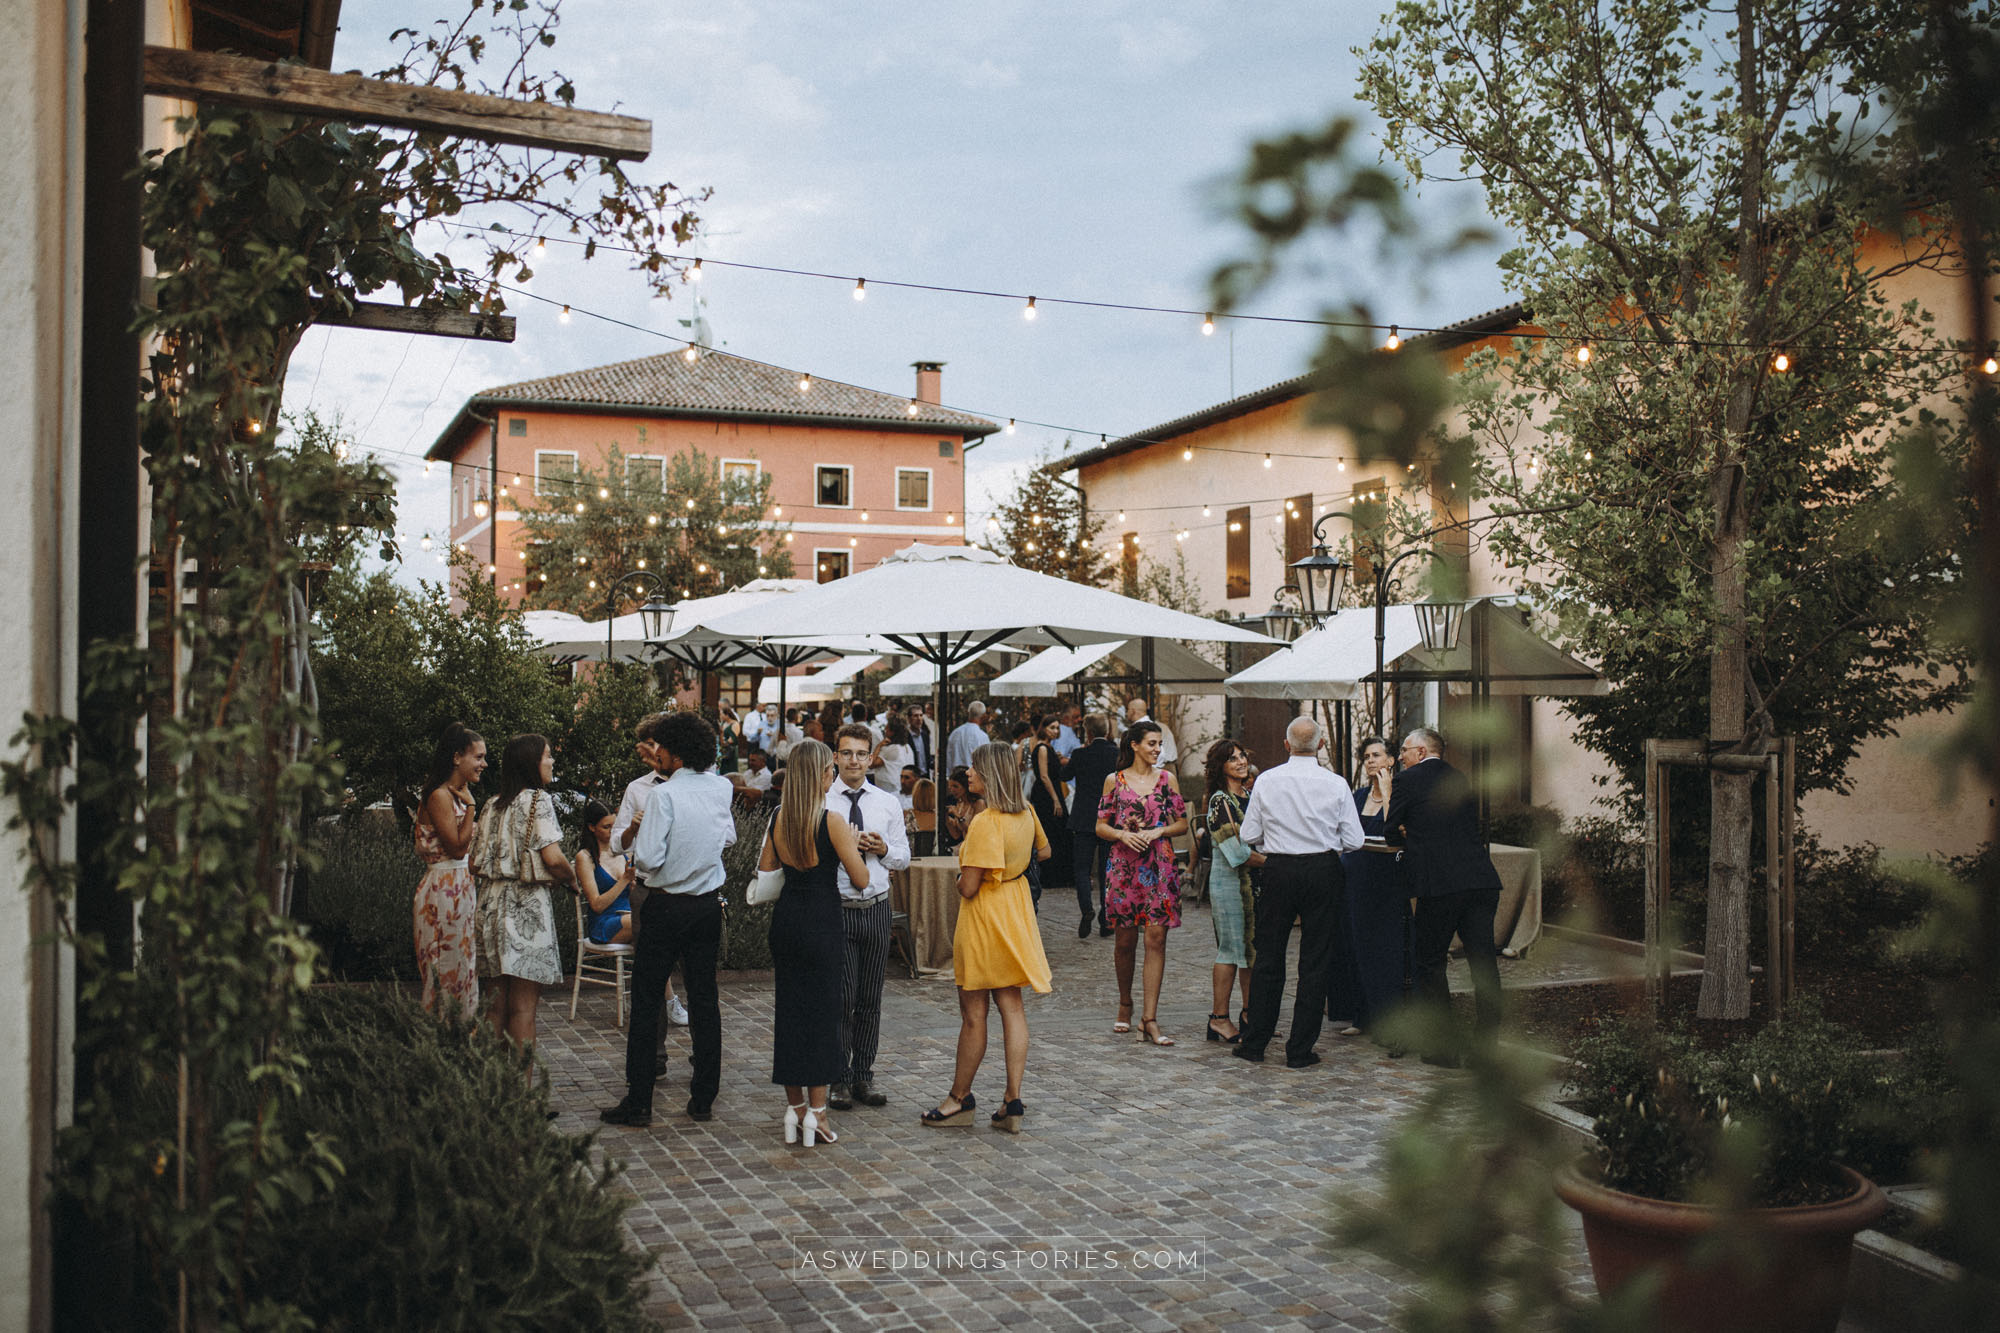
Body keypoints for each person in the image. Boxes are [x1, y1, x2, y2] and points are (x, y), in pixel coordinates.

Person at [600, 712, 737, 1127]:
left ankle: (640, 1101)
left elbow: (647, 859)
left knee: (646, 1002)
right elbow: (726, 837)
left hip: (664, 905)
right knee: (704, 999)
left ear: (677, 754)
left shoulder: (663, 796)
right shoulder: (722, 787)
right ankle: (704, 1098)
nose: (655, 752)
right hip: (707, 905)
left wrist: (653, 844)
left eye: (661, 747)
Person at [921, 742, 1051, 1133]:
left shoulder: (985, 822)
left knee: (974, 1015)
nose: (968, 773)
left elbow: (969, 887)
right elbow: (1044, 852)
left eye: (975, 768)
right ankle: (1013, 1099)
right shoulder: (1026, 811)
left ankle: (959, 1098)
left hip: (984, 918)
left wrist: (962, 876)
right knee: (1012, 1006)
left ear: (990, 774)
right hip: (1015, 911)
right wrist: (1013, 867)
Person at [1231, 715, 1366, 1069]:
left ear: (1286, 744)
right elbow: (1355, 840)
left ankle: (1255, 1042)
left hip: (1279, 869)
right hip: (1322, 869)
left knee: (1269, 956)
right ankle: (1300, 1049)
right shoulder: (1336, 783)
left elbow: (1248, 835)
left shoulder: (1267, 780)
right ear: (1321, 744)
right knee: (1316, 960)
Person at [756, 739, 872, 1146]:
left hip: (788, 918)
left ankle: (795, 1109)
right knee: (823, 1016)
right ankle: (818, 1114)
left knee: (790, 1014)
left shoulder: (778, 818)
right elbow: (861, 879)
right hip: (822, 920)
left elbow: (766, 869)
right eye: (831, 770)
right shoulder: (832, 821)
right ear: (822, 775)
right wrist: (851, 844)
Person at [1383, 726, 1502, 1064]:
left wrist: (1408, 833)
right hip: (1480, 880)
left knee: (1431, 963)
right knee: (1483, 964)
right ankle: (1485, 1047)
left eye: (1405, 750)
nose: (1400, 757)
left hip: (1439, 885)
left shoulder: (1407, 780)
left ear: (1421, 752)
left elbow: (1391, 830)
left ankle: (1443, 1047)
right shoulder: (1460, 778)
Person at [823, 724, 912, 1111]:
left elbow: (904, 857)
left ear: (872, 757)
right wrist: (843, 846)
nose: (854, 761)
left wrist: (883, 848)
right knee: (841, 998)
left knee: (870, 998)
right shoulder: (824, 801)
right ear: (835, 756)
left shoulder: (886, 802)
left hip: (876, 907)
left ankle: (863, 1074)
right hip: (838, 907)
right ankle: (839, 1078)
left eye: (861, 754)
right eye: (846, 753)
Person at [470, 733, 575, 1056]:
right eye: (547, 755)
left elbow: (474, 862)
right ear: (531, 762)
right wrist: (571, 878)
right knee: (523, 1007)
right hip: (524, 905)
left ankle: (490, 1081)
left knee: (494, 1005)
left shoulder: (491, 805)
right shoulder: (538, 800)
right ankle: (520, 1085)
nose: (552, 761)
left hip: (490, 905)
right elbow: (553, 858)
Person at [1095, 719, 1189, 1046]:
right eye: (1152, 743)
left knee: (1156, 938)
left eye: (1159, 744)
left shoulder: (1167, 780)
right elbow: (1100, 826)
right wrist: (1121, 834)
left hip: (1159, 866)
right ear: (1134, 745)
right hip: (1124, 867)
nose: (1157, 749)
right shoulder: (1114, 781)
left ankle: (1149, 1018)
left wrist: (1160, 830)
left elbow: (1182, 823)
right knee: (1124, 941)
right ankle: (1125, 1002)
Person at [611, 713, 688, 1028]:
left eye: (659, 743)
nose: (655, 751)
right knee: (650, 968)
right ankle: (653, 1044)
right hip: (649, 889)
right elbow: (616, 843)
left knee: (695, 969)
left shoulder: (698, 784)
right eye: (650, 744)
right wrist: (632, 828)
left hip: (690, 887)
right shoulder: (637, 789)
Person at [414, 722, 485, 1015]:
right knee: (444, 971)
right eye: (478, 757)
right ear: (457, 757)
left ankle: (461, 1034)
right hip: (443, 891)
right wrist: (471, 808)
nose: (484, 764)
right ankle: (442, 1035)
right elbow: (456, 848)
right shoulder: (440, 796)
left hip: (460, 886)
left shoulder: (458, 793)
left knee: (462, 967)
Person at [1343, 737, 1409, 1040]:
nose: (1370, 760)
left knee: (1388, 948)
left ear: (1391, 760)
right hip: (1357, 877)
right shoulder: (1358, 796)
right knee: (1359, 944)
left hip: (1388, 878)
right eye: (1367, 756)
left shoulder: (1401, 794)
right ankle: (1362, 1015)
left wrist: (1388, 792)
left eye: (1377, 755)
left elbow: (1396, 831)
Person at [1201, 738, 1264, 1044]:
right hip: (1230, 887)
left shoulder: (1249, 796)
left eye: (1242, 756)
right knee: (1230, 951)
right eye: (1232, 758)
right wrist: (1276, 863)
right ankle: (1219, 1019)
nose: (1241, 762)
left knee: (1251, 953)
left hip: (1254, 886)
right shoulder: (1219, 802)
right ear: (1220, 766)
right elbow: (1237, 853)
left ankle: (1251, 1015)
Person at [1061, 713, 1120, 939]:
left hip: (1083, 816)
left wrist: (1063, 762)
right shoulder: (1116, 754)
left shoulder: (1080, 754)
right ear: (1107, 731)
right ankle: (1106, 919)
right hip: (1109, 817)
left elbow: (1064, 775)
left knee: (1082, 869)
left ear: (1088, 732)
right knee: (1107, 870)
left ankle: (1086, 908)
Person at [573, 798, 635, 946]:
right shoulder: (585, 857)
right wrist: (625, 879)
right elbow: (597, 906)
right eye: (606, 827)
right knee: (647, 922)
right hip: (604, 923)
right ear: (592, 827)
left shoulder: (625, 853)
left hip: (629, 916)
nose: (612, 831)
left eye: (615, 826)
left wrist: (635, 886)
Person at [1027, 713, 1071, 894]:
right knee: (1052, 832)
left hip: (1052, 792)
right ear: (1043, 729)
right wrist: (1055, 799)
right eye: (1052, 727)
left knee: (1058, 832)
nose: (1055, 731)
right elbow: (1044, 776)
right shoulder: (1042, 748)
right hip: (1047, 795)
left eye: (1057, 728)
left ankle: (1057, 875)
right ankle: (1051, 876)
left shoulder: (1049, 748)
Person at [1124, 696, 1178, 771]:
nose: (1126, 713)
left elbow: (1160, 754)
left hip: (1157, 769)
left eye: (1128, 710)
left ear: (1133, 711)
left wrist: (1151, 772)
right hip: (1164, 767)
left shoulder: (1142, 728)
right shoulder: (1154, 726)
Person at [870, 716, 914, 795]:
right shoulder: (907, 747)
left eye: (887, 728)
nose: (885, 730)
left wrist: (878, 746)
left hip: (889, 790)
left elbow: (871, 764)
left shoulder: (891, 749)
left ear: (892, 732)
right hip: (899, 788)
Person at [941, 766, 983, 847]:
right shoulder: (959, 804)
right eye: (950, 787)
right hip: (965, 845)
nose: (952, 790)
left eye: (955, 786)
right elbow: (956, 835)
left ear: (965, 786)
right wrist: (946, 818)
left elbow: (975, 832)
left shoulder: (979, 804)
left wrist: (958, 816)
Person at [945, 700, 989, 776]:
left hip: (955, 778)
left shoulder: (955, 733)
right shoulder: (982, 736)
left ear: (968, 713)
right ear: (983, 716)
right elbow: (986, 762)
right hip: (974, 777)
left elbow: (949, 759)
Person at [906, 703, 936, 778]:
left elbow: (927, 756)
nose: (919, 719)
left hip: (925, 775)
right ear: (909, 719)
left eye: (921, 715)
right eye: (915, 716)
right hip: (911, 776)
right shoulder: (905, 736)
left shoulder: (925, 735)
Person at [717, 706, 742, 775]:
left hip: (730, 750)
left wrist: (724, 743)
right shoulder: (723, 723)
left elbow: (732, 739)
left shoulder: (735, 724)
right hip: (722, 749)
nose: (720, 716)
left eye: (721, 714)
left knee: (730, 769)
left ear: (727, 715)